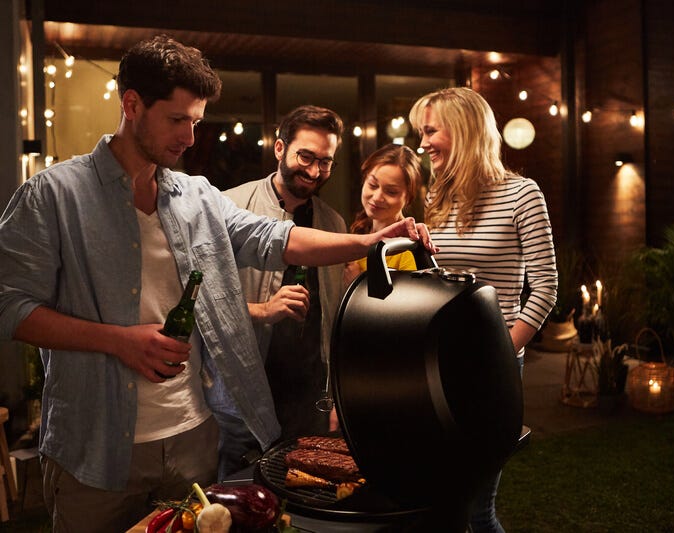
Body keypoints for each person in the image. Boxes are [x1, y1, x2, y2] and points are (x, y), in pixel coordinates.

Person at [0, 35, 431, 533]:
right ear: (132, 105)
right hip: (94, 447)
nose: (189, 136)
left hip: (191, 437)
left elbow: (278, 238)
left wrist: (373, 241)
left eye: (197, 122)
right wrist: (120, 342)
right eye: (177, 120)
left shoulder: (196, 195)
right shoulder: (53, 195)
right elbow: (9, 306)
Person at [409, 86, 557, 533]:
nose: (422, 143)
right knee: (440, 503)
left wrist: (499, 356)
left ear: (464, 130)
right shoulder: (437, 198)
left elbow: (546, 289)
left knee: (478, 510)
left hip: (493, 366)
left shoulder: (521, 194)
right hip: (436, 364)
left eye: (431, 131)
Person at [224, 105, 347, 442]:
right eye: (305, 157)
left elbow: (333, 320)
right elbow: (202, 305)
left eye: (325, 162)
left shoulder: (333, 225)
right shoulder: (230, 207)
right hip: (243, 395)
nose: (314, 171)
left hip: (309, 396)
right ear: (280, 148)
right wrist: (263, 310)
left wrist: (335, 393)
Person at [343, 143, 423, 286]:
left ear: (408, 198)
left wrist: (358, 283)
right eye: (373, 185)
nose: (377, 197)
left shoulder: (407, 249)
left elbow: (405, 306)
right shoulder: (358, 231)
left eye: (391, 192)